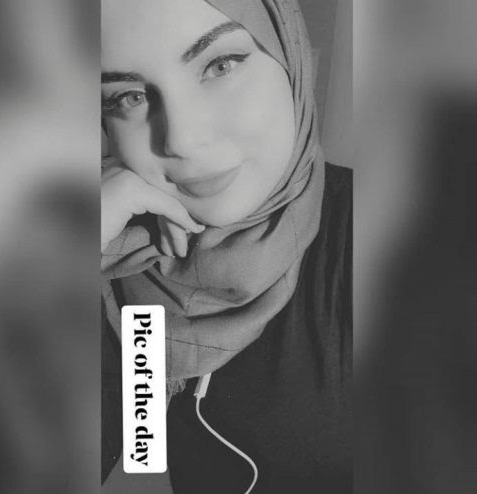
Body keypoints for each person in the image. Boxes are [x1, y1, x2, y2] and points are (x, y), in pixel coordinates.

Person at [101, 0, 351, 492]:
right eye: (129, 97)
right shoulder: (124, 253)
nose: (181, 140)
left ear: (292, 58)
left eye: (220, 65)